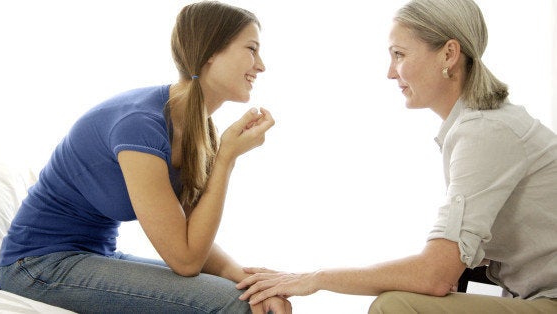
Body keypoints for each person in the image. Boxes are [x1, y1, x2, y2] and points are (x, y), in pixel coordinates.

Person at [236, 0, 557, 312]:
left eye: (399, 55)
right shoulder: (482, 126)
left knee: (396, 305)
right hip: (530, 297)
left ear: (449, 54)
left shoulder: (485, 132)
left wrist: (312, 280)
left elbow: (435, 275)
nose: (391, 72)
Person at [0, 1, 292, 313]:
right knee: (236, 305)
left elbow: (192, 237)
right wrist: (227, 159)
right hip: (36, 267)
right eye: (251, 48)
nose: (261, 65)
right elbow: (186, 260)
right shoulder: (139, 126)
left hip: (95, 255)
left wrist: (246, 278)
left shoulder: (198, 130)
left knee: (254, 297)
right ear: (211, 52)